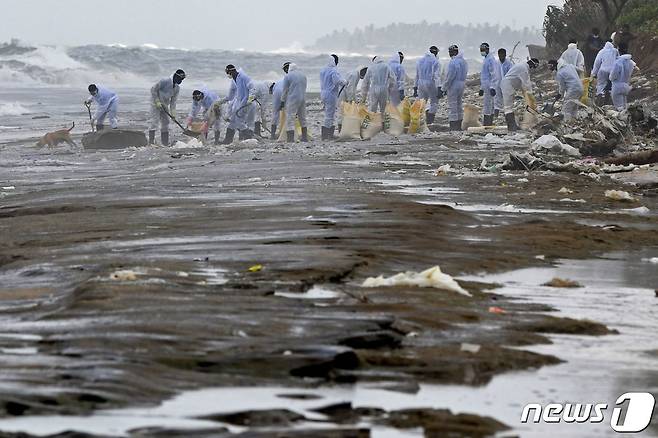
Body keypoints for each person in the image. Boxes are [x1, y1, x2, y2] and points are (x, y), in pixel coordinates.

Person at [219, 65, 255, 144]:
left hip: (246, 103)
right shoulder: (234, 80)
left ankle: (248, 138)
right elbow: (230, 96)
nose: (227, 74)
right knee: (232, 122)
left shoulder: (243, 77)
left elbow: (252, 87)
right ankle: (228, 140)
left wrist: (250, 99)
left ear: (230, 71)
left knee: (239, 122)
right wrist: (220, 102)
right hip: (239, 103)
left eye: (227, 72)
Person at [500, 58, 539, 131]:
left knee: (509, 107)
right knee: (508, 107)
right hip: (507, 85)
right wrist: (531, 97)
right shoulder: (524, 69)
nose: (532, 69)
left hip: (508, 85)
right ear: (532, 64)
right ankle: (511, 127)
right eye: (533, 67)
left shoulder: (522, 66)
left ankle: (513, 126)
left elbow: (523, 84)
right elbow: (526, 84)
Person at [149, 69, 185, 146]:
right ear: (175, 76)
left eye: (182, 79)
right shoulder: (165, 81)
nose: (181, 81)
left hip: (165, 105)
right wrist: (157, 101)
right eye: (180, 79)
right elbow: (153, 89)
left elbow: (173, 102)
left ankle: (165, 144)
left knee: (166, 123)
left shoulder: (177, 88)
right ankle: (151, 143)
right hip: (155, 103)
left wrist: (173, 114)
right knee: (154, 122)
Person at [319, 54, 347, 140]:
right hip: (331, 94)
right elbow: (336, 81)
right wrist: (344, 82)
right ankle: (327, 135)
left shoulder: (323, 70)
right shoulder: (333, 70)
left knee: (328, 113)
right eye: (337, 61)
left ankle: (326, 134)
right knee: (330, 114)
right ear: (335, 61)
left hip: (323, 93)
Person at [280, 62, 308, 143]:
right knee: (302, 117)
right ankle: (304, 137)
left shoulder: (288, 76)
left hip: (293, 99)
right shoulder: (303, 75)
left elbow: (285, 90)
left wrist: (282, 101)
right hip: (302, 98)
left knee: (290, 118)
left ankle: (290, 139)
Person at [442, 45, 468, 131]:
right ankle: (459, 124)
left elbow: (450, 77)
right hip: (462, 84)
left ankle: (453, 125)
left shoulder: (453, 62)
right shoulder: (463, 61)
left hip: (454, 85)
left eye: (450, 52)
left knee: (453, 104)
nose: (449, 54)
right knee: (459, 104)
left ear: (453, 52)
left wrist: (444, 88)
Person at [414, 46, 441, 124]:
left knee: (421, 102)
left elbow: (417, 75)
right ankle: (429, 120)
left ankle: (419, 121)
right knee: (434, 102)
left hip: (421, 83)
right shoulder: (435, 61)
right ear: (435, 52)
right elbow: (436, 76)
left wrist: (415, 88)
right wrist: (439, 88)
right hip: (431, 83)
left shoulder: (420, 60)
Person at [338, 66, 367, 132]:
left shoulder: (354, 73)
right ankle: (341, 130)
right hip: (344, 95)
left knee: (344, 112)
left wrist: (355, 100)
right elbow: (350, 89)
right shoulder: (354, 76)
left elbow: (353, 89)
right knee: (342, 112)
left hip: (344, 93)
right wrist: (350, 100)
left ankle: (344, 129)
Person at [609, 43, 636, 111]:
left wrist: (610, 78)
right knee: (625, 109)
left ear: (618, 50)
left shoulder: (618, 62)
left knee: (619, 109)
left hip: (617, 86)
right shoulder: (630, 62)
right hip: (626, 86)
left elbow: (612, 76)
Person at [479, 43, 499, 126]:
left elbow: (494, 74)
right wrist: (481, 88)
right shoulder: (486, 59)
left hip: (490, 85)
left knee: (489, 104)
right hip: (486, 85)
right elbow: (484, 76)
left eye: (483, 50)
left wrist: (492, 87)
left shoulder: (491, 59)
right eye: (481, 50)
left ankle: (488, 123)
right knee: (488, 104)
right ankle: (488, 123)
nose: (482, 52)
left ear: (487, 49)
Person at [494, 48, 513, 118]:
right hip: (497, 84)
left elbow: (511, 74)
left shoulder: (509, 63)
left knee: (507, 100)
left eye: (503, 55)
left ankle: (507, 116)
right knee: (496, 100)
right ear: (498, 55)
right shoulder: (496, 63)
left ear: (505, 55)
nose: (501, 57)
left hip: (506, 84)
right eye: (500, 55)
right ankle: (496, 116)